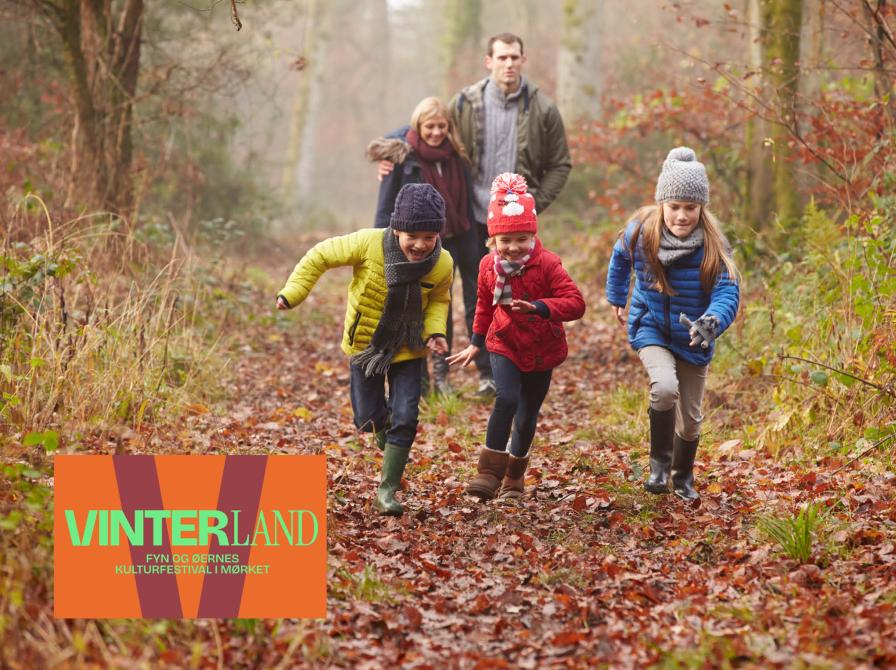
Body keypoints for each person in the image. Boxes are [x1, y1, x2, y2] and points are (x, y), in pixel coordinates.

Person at [380, 33, 572, 397]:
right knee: (451, 293)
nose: (508, 64)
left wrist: (532, 204)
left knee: (502, 297)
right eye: (502, 57)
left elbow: (561, 163)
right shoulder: (466, 102)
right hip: (467, 217)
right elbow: (426, 125)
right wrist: (390, 151)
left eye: (514, 57)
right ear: (489, 61)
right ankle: (442, 373)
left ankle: (494, 374)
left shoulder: (542, 108)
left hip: (512, 225)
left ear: (523, 59)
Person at [276, 183, 454, 516]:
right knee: (368, 419)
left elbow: (439, 301)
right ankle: (387, 439)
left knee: (406, 417)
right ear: (397, 229)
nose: (420, 245)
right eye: (412, 236)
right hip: (366, 347)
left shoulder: (442, 263)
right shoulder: (368, 243)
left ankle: (386, 492)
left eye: (429, 237)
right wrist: (293, 292)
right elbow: (320, 255)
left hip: (410, 349)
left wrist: (435, 332)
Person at [605, 147, 740, 501]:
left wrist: (712, 321)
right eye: (674, 206)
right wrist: (617, 296)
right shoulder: (641, 233)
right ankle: (659, 468)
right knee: (664, 388)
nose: (681, 215)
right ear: (662, 203)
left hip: (695, 336)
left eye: (690, 207)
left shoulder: (713, 244)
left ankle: (682, 476)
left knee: (691, 421)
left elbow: (728, 291)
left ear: (701, 208)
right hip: (650, 325)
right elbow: (619, 257)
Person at [448, 173, 585, 500]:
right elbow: (483, 305)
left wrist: (540, 307)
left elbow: (576, 303)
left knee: (525, 418)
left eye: (521, 239)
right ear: (493, 240)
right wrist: (475, 342)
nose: (513, 247)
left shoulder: (548, 264)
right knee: (506, 399)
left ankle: (513, 477)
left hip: (541, 348)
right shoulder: (487, 266)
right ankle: (488, 472)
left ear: (533, 235)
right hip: (504, 342)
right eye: (505, 240)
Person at [367, 97, 480, 395]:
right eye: (430, 126)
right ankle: (419, 381)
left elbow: (465, 203)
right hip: (414, 247)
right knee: (415, 309)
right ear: (418, 125)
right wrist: (382, 248)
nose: (436, 132)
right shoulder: (402, 157)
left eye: (442, 126)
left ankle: (442, 376)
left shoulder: (456, 155)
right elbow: (385, 207)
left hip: (454, 241)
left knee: (443, 306)